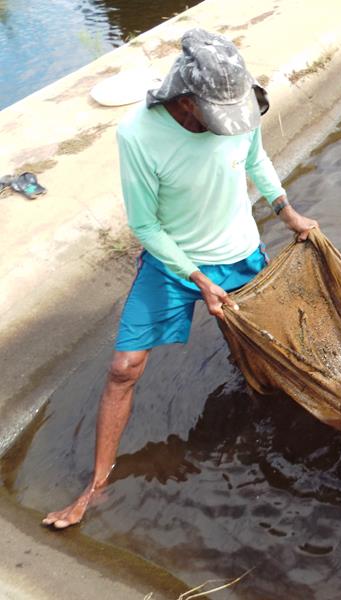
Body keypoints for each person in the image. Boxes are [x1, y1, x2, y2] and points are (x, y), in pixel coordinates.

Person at [43, 29, 318, 529]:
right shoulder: (138, 135)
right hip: (172, 261)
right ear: (187, 100)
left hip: (238, 254)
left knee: (259, 347)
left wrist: (287, 211)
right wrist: (196, 277)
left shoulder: (241, 110)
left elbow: (255, 158)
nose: (229, 123)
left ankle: (267, 408)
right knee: (123, 368)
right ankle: (97, 484)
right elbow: (145, 225)